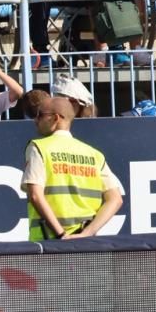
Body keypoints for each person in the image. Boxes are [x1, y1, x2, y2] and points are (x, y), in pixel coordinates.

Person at [22, 96, 123, 241]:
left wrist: (62, 235)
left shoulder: (38, 147)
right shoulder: (94, 154)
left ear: (55, 118)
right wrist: (86, 234)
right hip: (85, 244)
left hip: (48, 244)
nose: (35, 120)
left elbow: (36, 196)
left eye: (40, 115)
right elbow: (115, 199)